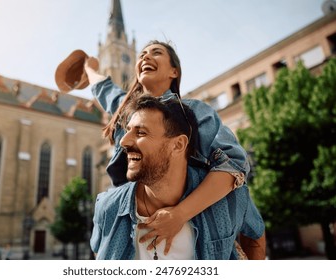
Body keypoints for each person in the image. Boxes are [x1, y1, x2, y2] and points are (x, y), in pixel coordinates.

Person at [84, 40, 261, 254]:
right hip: (132, 220)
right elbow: (106, 90)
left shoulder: (193, 113)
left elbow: (234, 164)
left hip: (196, 221)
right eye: (142, 54)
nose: (145, 57)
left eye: (156, 53)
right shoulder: (128, 111)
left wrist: (179, 214)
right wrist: (89, 70)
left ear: (174, 71)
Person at [90, 96, 265, 259]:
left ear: (178, 144)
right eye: (127, 131)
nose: (123, 142)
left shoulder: (230, 198)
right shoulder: (107, 207)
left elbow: (255, 236)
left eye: (141, 132)